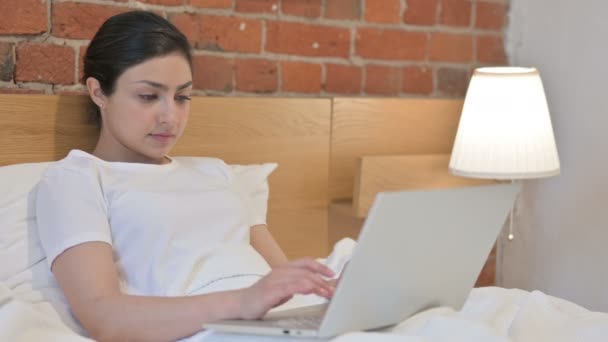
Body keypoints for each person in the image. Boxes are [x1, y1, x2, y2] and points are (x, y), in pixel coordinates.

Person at [36, 11, 335, 342]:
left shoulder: (216, 171)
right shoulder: (77, 178)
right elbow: (104, 317)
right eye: (149, 96)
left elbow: (279, 273)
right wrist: (243, 302)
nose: (170, 117)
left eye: (182, 97)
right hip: (207, 330)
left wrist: (327, 290)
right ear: (99, 92)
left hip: (278, 321)